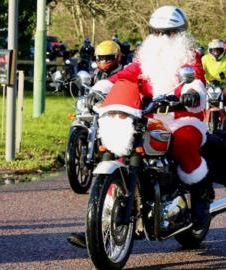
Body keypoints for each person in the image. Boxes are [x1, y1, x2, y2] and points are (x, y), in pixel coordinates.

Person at [67, 5, 211, 249]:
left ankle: (200, 198)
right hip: (147, 114)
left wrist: (191, 93)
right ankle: (99, 226)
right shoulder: (145, 58)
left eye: (170, 32)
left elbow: (196, 79)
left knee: (184, 141)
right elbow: (124, 76)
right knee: (117, 146)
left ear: (180, 33)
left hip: (182, 115)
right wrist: (100, 90)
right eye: (158, 32)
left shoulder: (190, 56)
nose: (163, 38)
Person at [201, 39, 226, 127]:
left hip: (224, 85)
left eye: (218, 50)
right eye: (213, 50)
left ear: (222, 50)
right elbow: (199, 69)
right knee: (199, 102)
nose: (216, 52)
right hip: (208, 85)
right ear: (210, 51)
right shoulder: (205, 58)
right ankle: (200, 120)